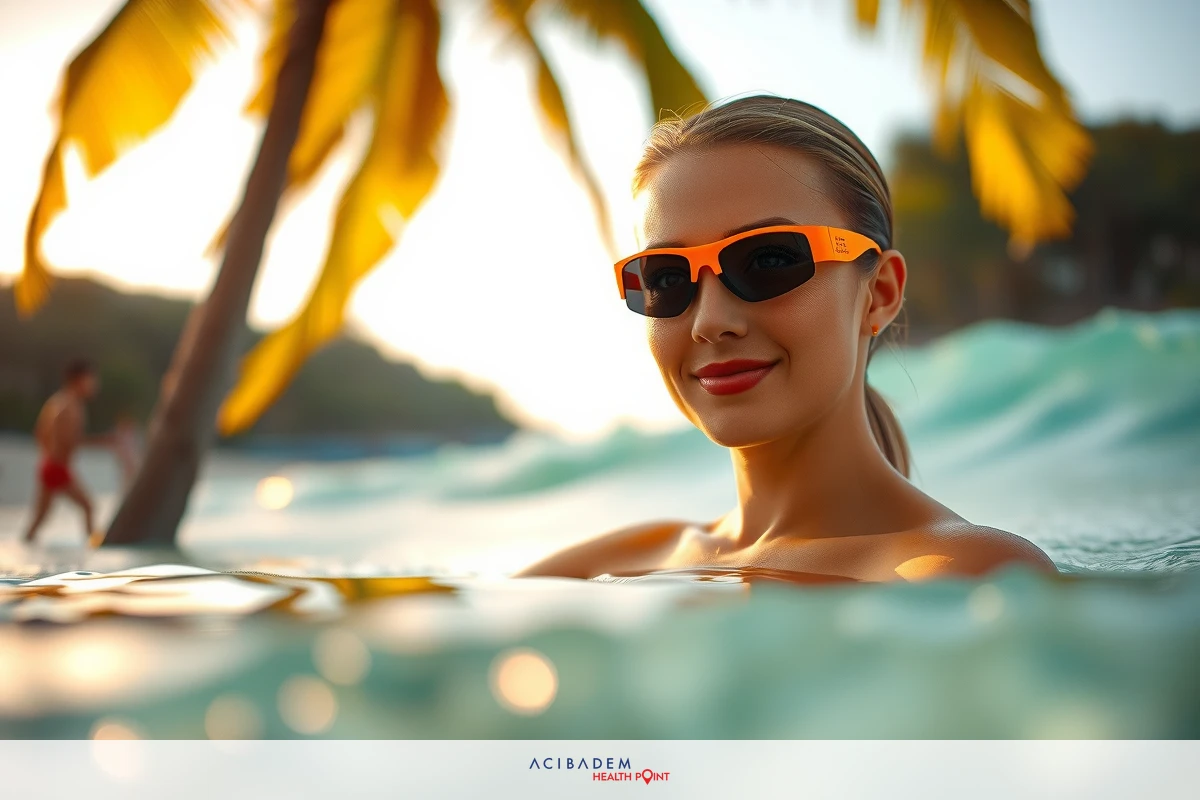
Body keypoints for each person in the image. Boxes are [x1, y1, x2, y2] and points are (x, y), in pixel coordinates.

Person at [516, 95, 1057, 583]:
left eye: (769, 259)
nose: (710, 320)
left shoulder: (964, 575)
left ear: (879, 294)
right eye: (664, 277)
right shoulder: (614, 566)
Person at [24, 358, 108, 546]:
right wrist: (105, 442)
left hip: (50, 465)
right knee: (88, 506)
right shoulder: (70, 405)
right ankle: (94, 547)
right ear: (80, 379)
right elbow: (70, 441)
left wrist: (48, 456)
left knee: (39, 518)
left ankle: (25, 545)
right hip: (57, 468)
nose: (95, 384)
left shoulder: (56, 401)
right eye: (91, 379)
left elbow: (40, 432)